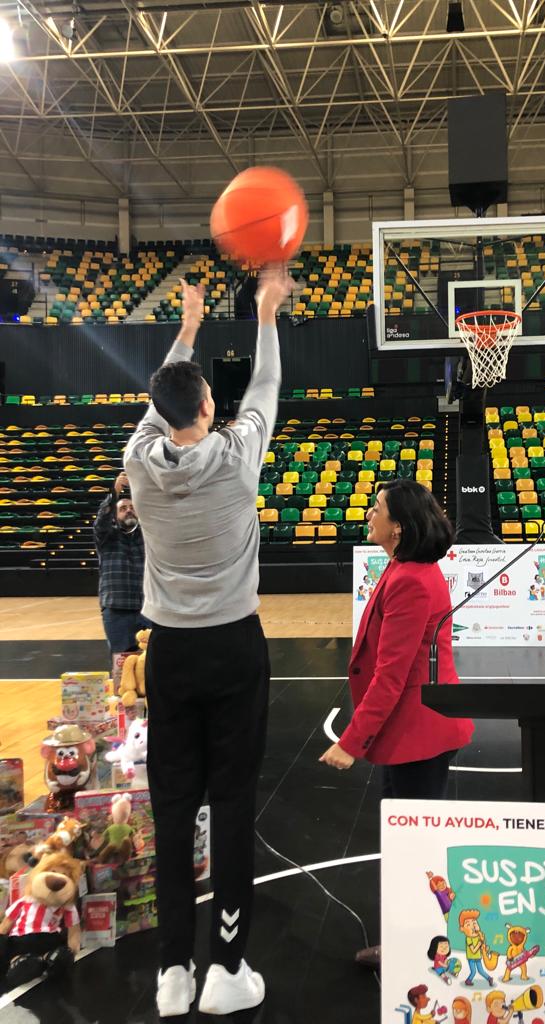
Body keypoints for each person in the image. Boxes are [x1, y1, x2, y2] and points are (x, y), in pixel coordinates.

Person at [123, 267, 291, 1018]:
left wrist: (188, 325)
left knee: (171, 805)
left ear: (160, 412)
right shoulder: (238, 454)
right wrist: (264, 313)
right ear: (208, 406)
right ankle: (226, 968)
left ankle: (171, 974)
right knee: (230, 804)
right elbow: (267, 385)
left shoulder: (138, 461)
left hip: (172, 651)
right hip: (232, 647)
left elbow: (162, 393)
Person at [319, 478, 474, 967]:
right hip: (416, 728)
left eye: (378, 508)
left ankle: (417, 945)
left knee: (412, 843)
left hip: (417, 731)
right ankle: (421, 937)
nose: (369, 513)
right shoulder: (406, 568)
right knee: (411, 838)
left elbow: (392, 673)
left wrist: (351, 740)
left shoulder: (409, 578)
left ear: (398, 528)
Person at [93, 471, 150, 658]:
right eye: (123, 508)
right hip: (117, 609)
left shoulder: (148, 537)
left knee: (155, 660)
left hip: (149, 607)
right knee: (122, 662)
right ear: (115, 515)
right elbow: (101, 522)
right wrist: (114, 493)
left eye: (132, 507)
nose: (128, 510)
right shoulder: (106, 538)